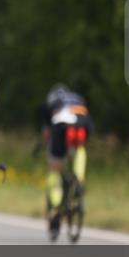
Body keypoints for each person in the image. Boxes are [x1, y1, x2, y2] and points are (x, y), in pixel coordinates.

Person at [39, 83, 92, 234]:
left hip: (62, 124)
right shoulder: (78, 98)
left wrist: (45, 145)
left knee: (54, 169)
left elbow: (47, 134)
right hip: (83, 122)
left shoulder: (50, 105)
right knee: (80, 148)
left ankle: (56, 208)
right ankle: (79, 178)